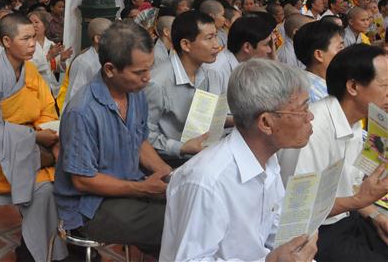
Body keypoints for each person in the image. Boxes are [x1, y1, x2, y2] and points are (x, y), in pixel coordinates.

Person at [161, 59, 317, 261]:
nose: (310, 116)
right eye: (303, 109)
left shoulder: (268, 160)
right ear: (266, 122)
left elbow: (273, 231)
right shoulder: (208, 181)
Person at [55, 21, 172, 256]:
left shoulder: (134, 93)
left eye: (149, 69)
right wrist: (141, 189)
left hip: (128, 186)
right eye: (139, 72)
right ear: (109, 69)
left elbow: (139, 141)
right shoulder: (82, 111)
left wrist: (169, 174)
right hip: (89, 207)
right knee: (177, 221)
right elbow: (83, 181)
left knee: (186, 204)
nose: (147, 78)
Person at [0, 13, 68, 261]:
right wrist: (34, 137)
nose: (32, 44)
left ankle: (55, 244)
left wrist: (47, 131)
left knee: (69, 175)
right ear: (6, 41)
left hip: (30, 144)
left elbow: (46, 108)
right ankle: (36, 252)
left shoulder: (30, 70)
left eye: (34, 37)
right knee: (44, 189)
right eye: (25, 39)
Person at [278, 45, 388, 261]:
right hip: (314, 233)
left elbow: (352, 188)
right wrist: (359, 200)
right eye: (385, 85)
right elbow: (298, 211)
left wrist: (377, 216)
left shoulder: (356, 122)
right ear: (353, 87)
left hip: (347, 217)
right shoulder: (312, 130)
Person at [144, 11, 221, 165]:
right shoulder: (157, 83)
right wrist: (181, 147)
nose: (216, 45)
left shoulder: (210, 74)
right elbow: (144, 136)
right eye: (209, 38)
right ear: (186, 45)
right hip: (169, 164)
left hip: (202, 157)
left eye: (216, 36)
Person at [206, 15, 274, 94]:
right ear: (247, 47)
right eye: (266, 44)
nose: (270, 50)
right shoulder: (216, 70)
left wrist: (273, 61)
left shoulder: (249, 63)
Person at [62, 18, 112, 110]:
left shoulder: (109, 57)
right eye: (111, 35)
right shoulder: (83, 62)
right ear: (97, 38)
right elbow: (75, 96)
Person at [294, 19, 344, 103]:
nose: (346, 52)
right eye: (340, 47)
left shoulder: (334, 80)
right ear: (319, 55)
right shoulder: (313, 97)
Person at [28, 10, 72, 95]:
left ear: (45, 25)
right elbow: (27, 67)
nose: (33, 25)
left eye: (36, 22)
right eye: (30, 22)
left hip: (50, 88)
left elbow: (57, 69)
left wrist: (62, 60)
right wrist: (48, 57)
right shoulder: (26, 45)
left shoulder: (51, 44)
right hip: (33, 88)